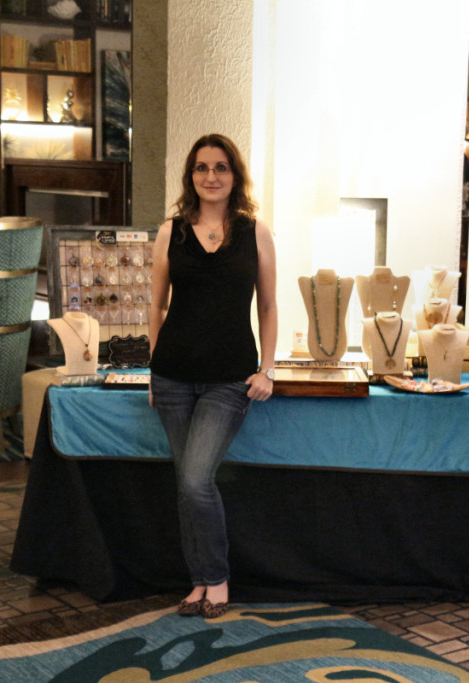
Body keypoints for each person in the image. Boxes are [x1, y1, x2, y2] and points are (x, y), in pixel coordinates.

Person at [148, 133, 278, 619]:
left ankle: (217, 578)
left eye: (220, 167)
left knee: (197, 478)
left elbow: (267, 304)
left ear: (234, 174)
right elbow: (156, 306)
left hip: (230, 379)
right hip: (173, 378)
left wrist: (268, 368)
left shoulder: (254, 232)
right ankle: (197, 583)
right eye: (201, 168)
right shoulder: (171, 232)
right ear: (191, 176)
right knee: (187, 483)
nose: (211, 176)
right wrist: (153, 372)